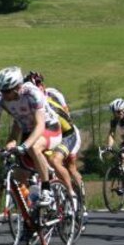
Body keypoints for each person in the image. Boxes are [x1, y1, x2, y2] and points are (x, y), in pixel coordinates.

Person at [0, 66, 71, 209]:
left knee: (33, 147)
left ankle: (46, 189)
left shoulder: (32, 93)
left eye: (7, 91)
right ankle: (29, 220)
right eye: (1, 91)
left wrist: (24, 146)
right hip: (27, 131)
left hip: (49, 128)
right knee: (19, 174)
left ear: (18, 86)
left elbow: (39, 125)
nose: (4, 95)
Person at [26, 71, 85, 214]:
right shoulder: (30, 103)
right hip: (49, 135)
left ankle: (75, 197)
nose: (37, 87)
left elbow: (66, 114)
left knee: (63, 163)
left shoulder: (53, 95)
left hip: (68, 133)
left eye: (39, 84)